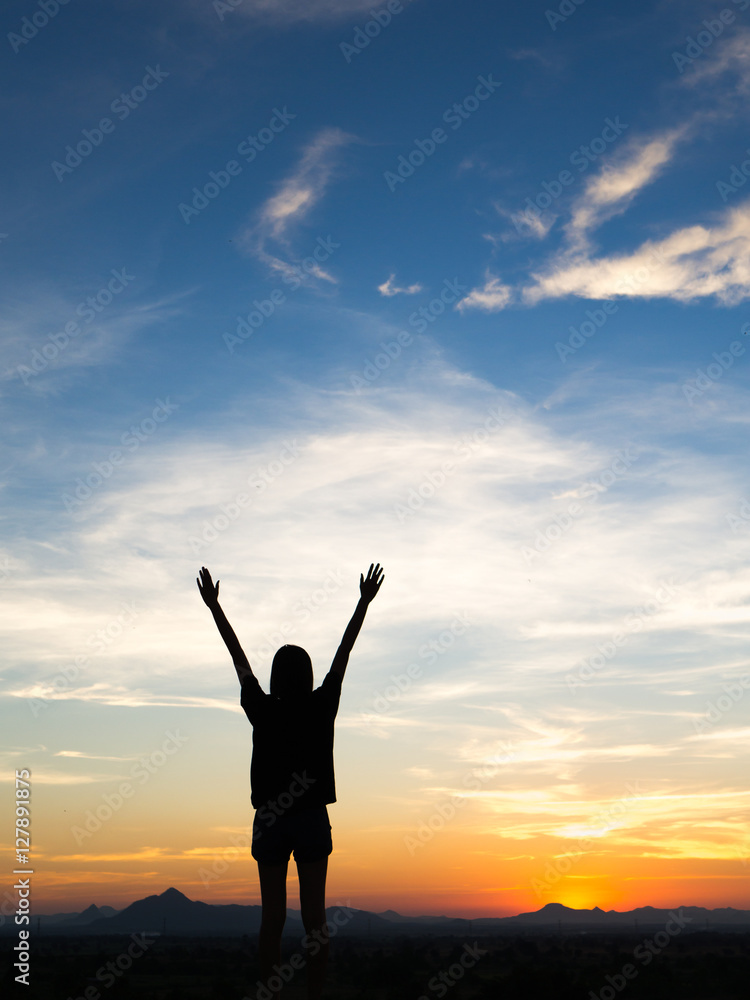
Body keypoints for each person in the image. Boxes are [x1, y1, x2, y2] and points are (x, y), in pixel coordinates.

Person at [197, 563, 385, 999]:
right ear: (309, 675)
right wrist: (362, 603)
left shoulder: (262, 709)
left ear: (276, 677)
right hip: (311, 819)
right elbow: (344, 652)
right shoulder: (323, 705)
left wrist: (215, 607)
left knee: (273, 919)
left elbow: (237, 656)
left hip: (271, 819)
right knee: (315, 918)